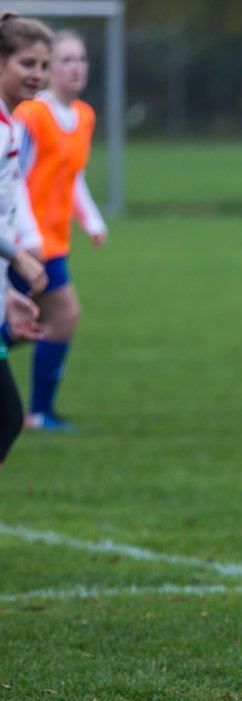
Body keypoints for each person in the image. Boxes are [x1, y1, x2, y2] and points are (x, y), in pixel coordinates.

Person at [2, 29, 107, 432]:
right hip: (24, 241)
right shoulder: (30, 116)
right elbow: (16, 181)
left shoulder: (84, 115)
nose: (74, 67)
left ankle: (38, 412)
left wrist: (92, 221)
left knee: (40, 321)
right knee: (59, 316)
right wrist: (27, 243)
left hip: (48, 240)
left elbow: (72, 176)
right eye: (64, 60)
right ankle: (39, 412)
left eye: (80, 59)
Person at [0, 11, 51, 467]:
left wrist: (7, 300)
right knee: (6, 417)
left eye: (43, 65)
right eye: (27, 63)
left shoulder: (10, 127)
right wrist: (18, 256)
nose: (37, 74)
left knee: (5, 419)